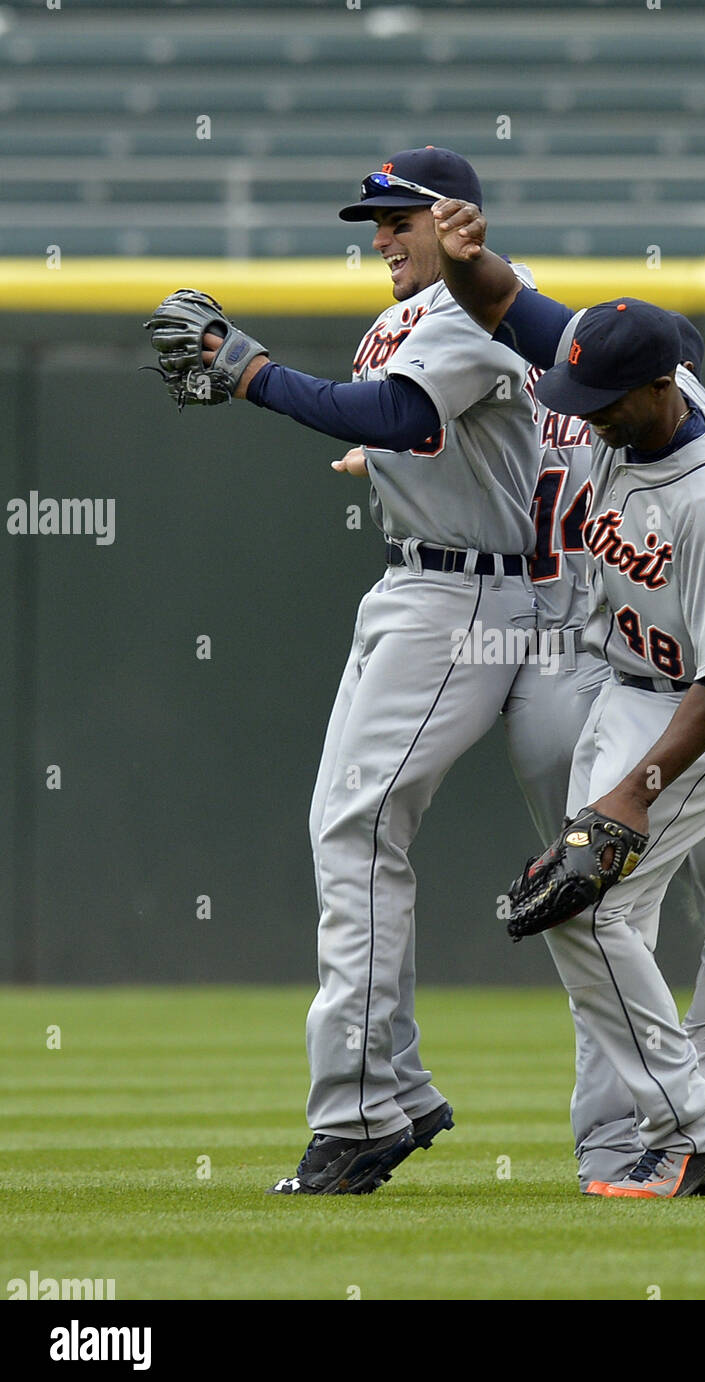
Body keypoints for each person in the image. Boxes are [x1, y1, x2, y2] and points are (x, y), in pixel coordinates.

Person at [430, 196, 705, 1197]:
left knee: (589, 913)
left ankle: (695, 1133)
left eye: (599, 398)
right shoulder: (612, 372)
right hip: (634, 683)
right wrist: (466, 257)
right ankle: (697, 1141)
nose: (578, 410)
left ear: (665, 385)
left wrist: (632, 793)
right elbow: (505, 302)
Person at [178, 148, 544, 1196]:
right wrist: (378, 454)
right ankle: (391, 1091)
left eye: (398, 219)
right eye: (371, 222)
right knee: (345, 829)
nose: (379, 237)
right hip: (413, 588)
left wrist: (248, 370)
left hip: (468, 598)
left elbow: (397, 414)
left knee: (358, 829)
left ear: (453, 221)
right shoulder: (404, 317)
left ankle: (357, 1113)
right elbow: (408, 431)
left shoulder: (475, 309)